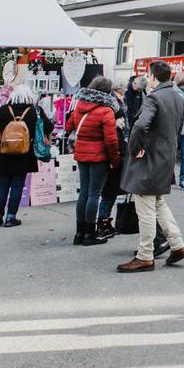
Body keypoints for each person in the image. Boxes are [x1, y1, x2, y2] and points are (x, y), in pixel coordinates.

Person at [118, 59, 184, 272]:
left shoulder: (154, 97)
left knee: (145, 206)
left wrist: (134, 149)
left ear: (153, 77)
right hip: (166, 156)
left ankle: (145, 255)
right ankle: (177, 244)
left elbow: (140, 125)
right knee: (158, 202)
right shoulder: (178, 98)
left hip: (149, 157)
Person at [69, 81, 123, 246]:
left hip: (81, 154)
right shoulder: (106, 110)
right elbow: (111, 140)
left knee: (84, 193)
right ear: (107, 92)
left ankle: (79, 233)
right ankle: (89, 234)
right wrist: (115, 160)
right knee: (94, 194)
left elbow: (68, 125)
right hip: (99, 157)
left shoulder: (80, 105)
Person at [0, 86, 46, 227]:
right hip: (24, 155)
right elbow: (48, 127)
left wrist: (2, 145)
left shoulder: (3, 110)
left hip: (4, 154)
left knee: (2, 185)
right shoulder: (35, 111)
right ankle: (10, 217)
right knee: (17, 186)